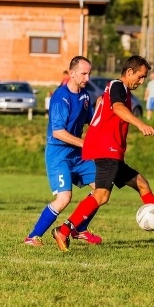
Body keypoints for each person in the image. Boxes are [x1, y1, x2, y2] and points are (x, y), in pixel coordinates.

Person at [51, 55, 154, 252]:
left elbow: (107, 106)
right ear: (129, 72)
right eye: (140, 77)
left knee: (142, 184)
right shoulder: (118, 86)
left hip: (110, 149)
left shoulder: (119, 89)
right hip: (105, 148)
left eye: (144, 78)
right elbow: (117, 108)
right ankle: (64, 230)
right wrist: (141, 124)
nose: (141, 82)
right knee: (101, 195)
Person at [24, 56, 101, 247]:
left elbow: (92, 122)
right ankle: (32, 237)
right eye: (84, 73)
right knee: (64, 198)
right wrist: (85, 144)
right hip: (59, 155)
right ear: (72, 73)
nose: (87, 78)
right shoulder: (60, 97)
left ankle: (80, 229)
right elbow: (58, 133)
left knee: (102, 189)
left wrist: (100, 108)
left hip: (78, 155)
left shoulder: (84, 96)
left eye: (89, 73)